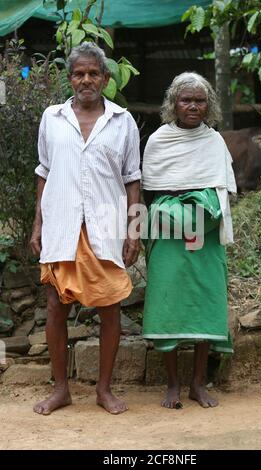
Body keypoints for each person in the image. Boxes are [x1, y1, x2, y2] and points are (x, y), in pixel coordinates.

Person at [30, 42, 141, 415]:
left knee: (110, 306)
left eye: (94, 73)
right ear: (70, 77)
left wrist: (134, 228)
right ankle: (60, 389)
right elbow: (43, 172)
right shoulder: (52, 118)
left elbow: (132, 179)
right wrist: (37, 223)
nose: (86, 80)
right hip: (61, 223)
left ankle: (104, 390)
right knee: (54, 305)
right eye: (79, 73)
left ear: (106, 78)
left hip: (105, 226)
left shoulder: (123, 121)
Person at [142, 72, 236, 409]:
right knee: (168, 303)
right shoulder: (158, 141)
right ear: (173, 103)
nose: (193, 106)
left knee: (205, 303)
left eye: (199, 100)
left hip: (205, 234)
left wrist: (199, 208)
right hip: (168, 235)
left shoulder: (214, 142)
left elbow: (223, 192)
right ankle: (172, 385)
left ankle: (197, 383)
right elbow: (150, 191)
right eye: (186, 100)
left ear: (208, 104)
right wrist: (177, 211)